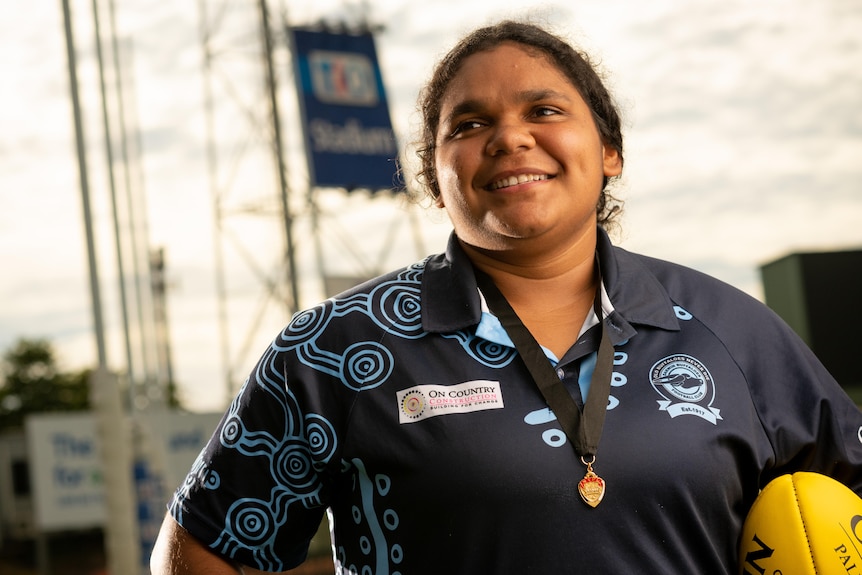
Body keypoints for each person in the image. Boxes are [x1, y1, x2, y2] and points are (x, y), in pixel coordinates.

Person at [151, 20, 862, 574]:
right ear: (435, 180)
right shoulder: (336, 350)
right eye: (467, 125)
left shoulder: (727, 328)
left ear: (609, 150)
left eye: (544, 109)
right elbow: (203, 545)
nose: (509, 137)